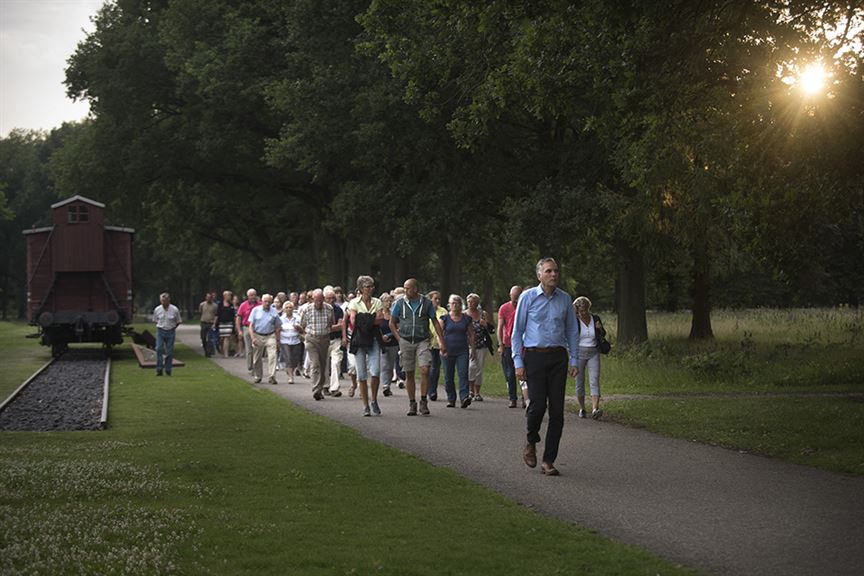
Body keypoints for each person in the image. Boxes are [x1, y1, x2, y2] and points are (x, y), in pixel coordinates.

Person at [511, 258, 579, 476]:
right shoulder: (528, 297)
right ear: (539, 275)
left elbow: (572, 331)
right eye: (549, 271)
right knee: (538, 406)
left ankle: (548, 460)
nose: (554, 275)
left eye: (556, 271)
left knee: (557, 411)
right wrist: (518, 362)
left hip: (558, 357)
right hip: (535, 357)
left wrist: (574, 359)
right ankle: (531, 440)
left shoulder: (565, 299)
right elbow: (516, 333)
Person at [389, 278, 447, 416]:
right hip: (406, 340)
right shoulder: (399, 303)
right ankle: (412, 403)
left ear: (415, 289)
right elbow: (392, 323)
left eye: (408, 288)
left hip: (422, 340)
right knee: (409, 373)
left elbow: (435, 322)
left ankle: (423, 401)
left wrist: (442, 341)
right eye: (404, 288)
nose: (405, 290)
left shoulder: (426, 303)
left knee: (425, 369)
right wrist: (399, 338)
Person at [343, 276, 384, 416]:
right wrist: (371, 318)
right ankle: (365, 405)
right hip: (359, 341)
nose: (371, 288)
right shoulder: (353, 302)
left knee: (376, 371)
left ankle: (374, 399)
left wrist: (364, 319)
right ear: (360, 288)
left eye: (372, 286)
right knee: (361, 374)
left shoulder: (377, 302)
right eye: (368, 286)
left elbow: (380, 320)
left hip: (373, 339)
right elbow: (354, 322)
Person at [297, 288, 335, 400]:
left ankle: (321, 387)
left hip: (324, 339)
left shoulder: (329, 309)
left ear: (323, 299)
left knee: (323, 365)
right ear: (313, 299)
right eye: (316, 300)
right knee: (315, 364)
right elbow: (302, 325)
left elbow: (331, 323)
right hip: (311, 339)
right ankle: (316, 389)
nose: (319, 303)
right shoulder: (307, 310)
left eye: (320, 300)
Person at [573, 296, 607, 419]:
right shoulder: (574, 321)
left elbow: (602, 334)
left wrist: (600, 328)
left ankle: (595, 409)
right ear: (576, 310)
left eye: (585, 310)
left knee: (594, 380)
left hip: (593, 352)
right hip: (579, 353)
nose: (583, 313)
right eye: (581, 311)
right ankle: (582, 408)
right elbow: (570, 337)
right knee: (579, 382)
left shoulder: (595, 318)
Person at [441, 294, 475, 408]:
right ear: (449, 305)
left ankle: (464, 397)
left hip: (462, 350)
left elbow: (471, 335)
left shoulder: (466, 318)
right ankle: (451, 398)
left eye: (457, 303)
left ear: (461, 305)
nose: (455, 305)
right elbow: (439, 334)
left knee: (463, 373)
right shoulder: (445, 318)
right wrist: (442, 346)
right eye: (453, 303)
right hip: (448, 350)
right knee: (448, 375)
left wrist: (473, 349)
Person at [497, 285, 524, 408]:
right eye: (513, 296)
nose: (515, 299)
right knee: (510, 373)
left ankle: (525, 397)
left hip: (522, 344)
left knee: (523, 371)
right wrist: (500, 344)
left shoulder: (524, 306)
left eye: (518, 296)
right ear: (510, 295)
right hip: (508, 343)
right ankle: (512, 398)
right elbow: (500, 327)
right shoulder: (504, 308)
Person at [465, 293, 493, 402]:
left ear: (477, 303)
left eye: (473, 302)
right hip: (467, 345)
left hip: (482, 345)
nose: (471, 304)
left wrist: (486, 324)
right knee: (471, 367)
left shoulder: (483, 314)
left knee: (479, 369)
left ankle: (477, 392)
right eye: (469, 302)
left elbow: (492, 329)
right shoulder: (464, 315)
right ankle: (470, 390)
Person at [248, 294, 281, 385]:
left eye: (269, 302)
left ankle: (272, 376)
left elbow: (278, 326)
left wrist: (278, 340)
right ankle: (258, 376)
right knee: (257, 358)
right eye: (265, 301)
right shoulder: (255, 310)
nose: (267, 303)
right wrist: (253, 338)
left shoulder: (274, 312)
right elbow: (250, 326)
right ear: (262, 301)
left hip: (270, 335)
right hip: (258, 335)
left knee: (272, 356)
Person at [426, 290, 448, 401]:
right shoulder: (425, 310)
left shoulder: (443, 311)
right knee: (427, 367)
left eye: (439, 299)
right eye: (435, 299)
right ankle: (428, 389)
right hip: (427, 342)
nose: (437, 301)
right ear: (430, 299)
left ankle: (432, 391)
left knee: (435, 367)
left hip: (438, 343)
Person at [153, 292, 182, 376]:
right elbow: (155, 320)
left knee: (169, 351)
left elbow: (178, 321)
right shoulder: (157, 309)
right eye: (162, 300)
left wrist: (172, 328)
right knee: (158, 349)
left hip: (170, 331)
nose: (163, 302)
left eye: (165, 300)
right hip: (160, 330)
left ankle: (168, 369)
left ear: (169, 300)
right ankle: (159, 369)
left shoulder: (175, 309)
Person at [324, 286, 344, 397]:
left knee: (336, 363)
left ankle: (334, 388)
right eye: (328, 298)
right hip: (324, 340)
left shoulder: (338, 310)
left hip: (336, 339)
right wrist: (332, 327)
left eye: (333, 298)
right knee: (324, 364)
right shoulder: (320, 309)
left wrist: (327, 327)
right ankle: (325, 386)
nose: (331, 300)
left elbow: (340, 326)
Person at [378, 292, 399, 397]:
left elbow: (399, 328)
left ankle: (388, 385)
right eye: (386, 301)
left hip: (393, 342)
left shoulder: (394, 314)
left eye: (390, 301)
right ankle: (385, 386)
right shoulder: (379, 314)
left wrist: (389, 335)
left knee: (390, 365)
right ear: (382, 302)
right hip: (381, 343)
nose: (389, 303)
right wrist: (381, 336)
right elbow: (376, 327)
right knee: (384, 364)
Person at [235, 289, 260, 372]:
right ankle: (250, 367)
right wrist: (239, 331)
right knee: (249, 349)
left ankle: (256, 367)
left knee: (257, 349)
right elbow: (238, 318)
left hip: (257, 329)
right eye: (251, 295)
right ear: (248, 296)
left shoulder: (260, 305)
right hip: (246, 327)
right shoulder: (243, 305)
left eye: (254, 295)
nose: (253, 297)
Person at [279, 301, 303, 384]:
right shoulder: (281, 319)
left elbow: (303, 329)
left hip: (296, 340)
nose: (289, 309)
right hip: (284, 340)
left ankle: (290, 369)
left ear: (293, 309)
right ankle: (290, 376)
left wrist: (298, 328)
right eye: (287, 307)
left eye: (290, 307)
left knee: (295, 359)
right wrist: (277, 340)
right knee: (288, 357)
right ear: (284, 309)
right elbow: (278, 329)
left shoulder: (298, 318)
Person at [215, 290, 236, 358]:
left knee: (227, 338)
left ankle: (226, 353)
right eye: (228, 295)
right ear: (224, 296)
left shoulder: (231, 305)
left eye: (230, 295)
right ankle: (222, 351)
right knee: (221, 339)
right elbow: (217, 315)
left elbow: (233, 315)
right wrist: (214, 323)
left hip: (229, 323)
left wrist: (235, 324)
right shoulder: (220, 304)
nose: (229, 297)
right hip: (221, 323)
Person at [198, 292, 218, 357]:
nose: (209, 298)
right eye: (207, 297)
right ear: (206, 298)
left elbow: (216, 315)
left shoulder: (215, 306)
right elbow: (200, 312)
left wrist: (214, 323)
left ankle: (209, 352)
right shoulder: (202, 304)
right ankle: (205, 349)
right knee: (203, 337)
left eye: (210, 297)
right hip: (203, 322)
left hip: (211, 323)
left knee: (210, 338)